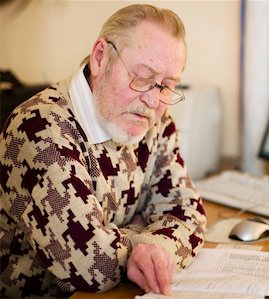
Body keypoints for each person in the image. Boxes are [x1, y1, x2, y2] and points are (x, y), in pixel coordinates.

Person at [0, 4, 206, 298]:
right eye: (143, 77)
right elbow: (91, 266)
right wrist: (142, 236)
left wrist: (153, 245)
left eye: (166, 85)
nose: (153, 100)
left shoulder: (155, 121)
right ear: (100, 57)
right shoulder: (39, 129)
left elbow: (190, 215)